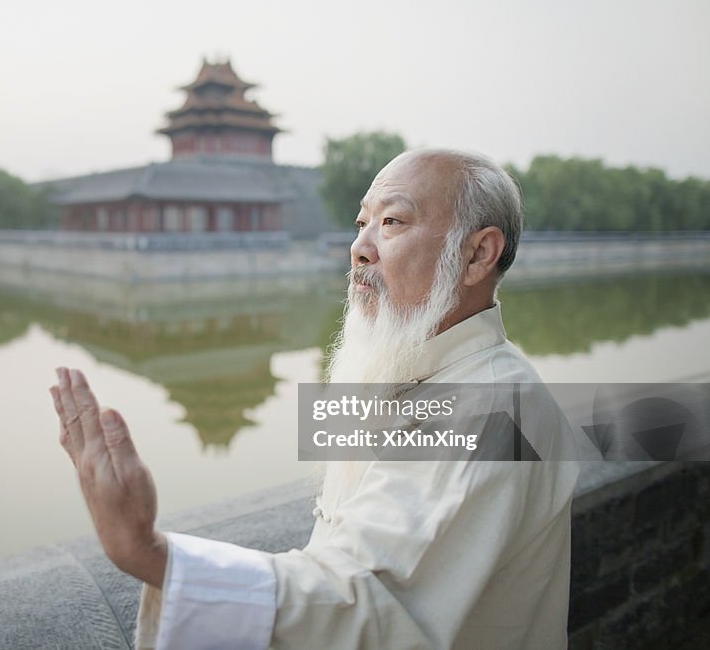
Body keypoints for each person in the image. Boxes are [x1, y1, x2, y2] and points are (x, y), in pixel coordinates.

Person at [49, 148, 580, 649]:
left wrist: (152, 555)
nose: (360, 247)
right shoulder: (433, 373)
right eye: (361, 223)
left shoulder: (491, 407)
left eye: (391, 222)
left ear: (477, 254)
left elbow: (372, 599)